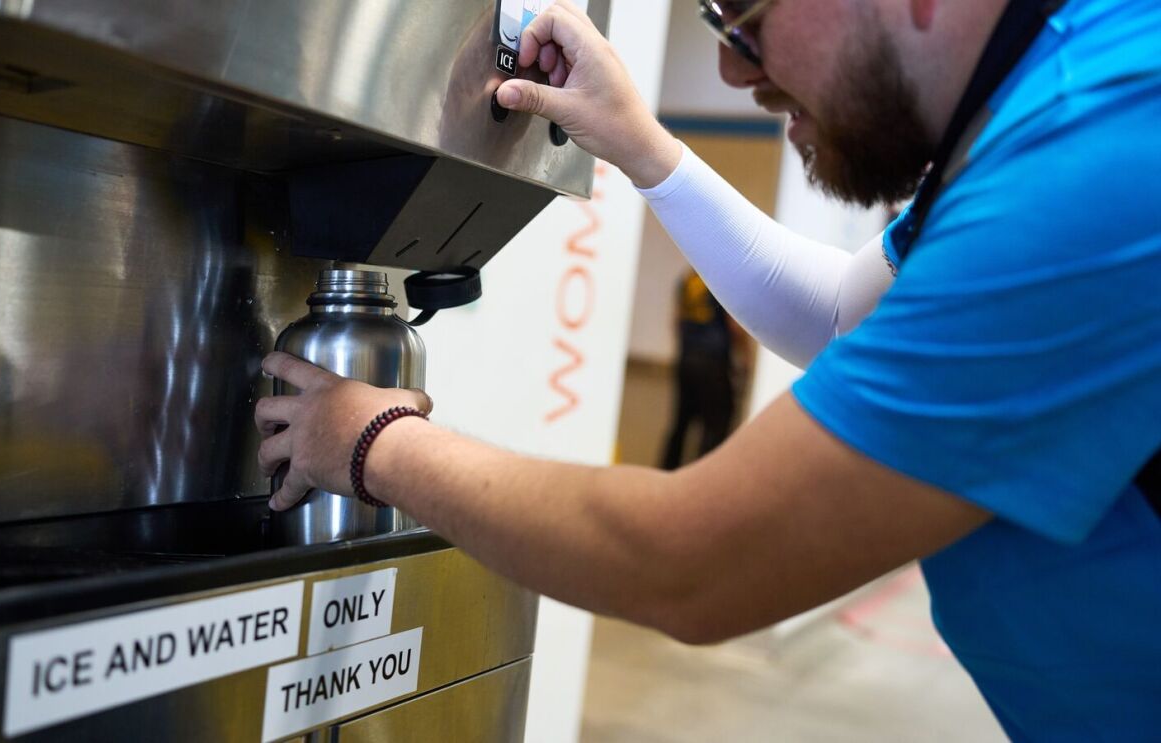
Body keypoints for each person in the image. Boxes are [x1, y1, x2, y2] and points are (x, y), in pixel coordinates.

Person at [255, 0, 1161, 737]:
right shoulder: (1028, 108)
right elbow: (841, 313)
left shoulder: (1108, 141)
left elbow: (694, 561)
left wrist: (370, 437)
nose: (733, 68)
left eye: (746, 19)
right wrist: (644, 148)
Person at [661, 270, 749, 469]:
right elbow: (734, 325)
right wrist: (746, 357)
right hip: (713, 362)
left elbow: (675, 320)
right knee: (716, 425)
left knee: (681, 422)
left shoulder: (685, 280)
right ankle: (703, 476)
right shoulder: (720, 280)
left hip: (687, 358)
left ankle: (666, 472)